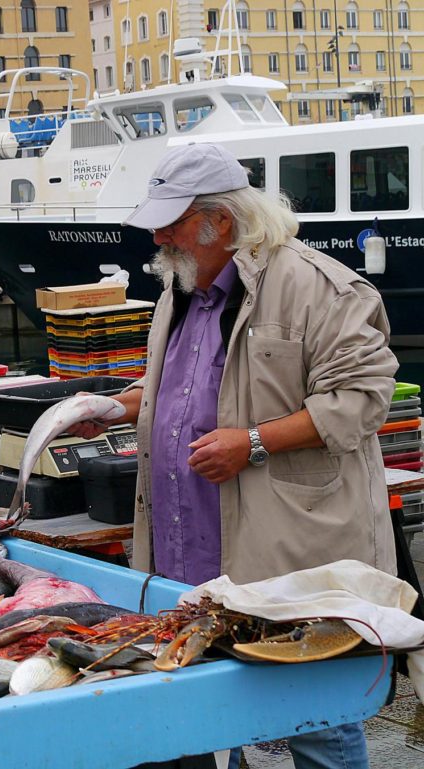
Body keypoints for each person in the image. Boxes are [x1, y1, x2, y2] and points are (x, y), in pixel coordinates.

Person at [74, 142, 398, 769]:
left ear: (219, 221)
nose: (159, 236)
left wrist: (251, 443)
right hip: (184, 544)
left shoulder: (319, 287)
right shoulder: (181, 287)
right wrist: (120, 407)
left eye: (171, 222)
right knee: (195, 703)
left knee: (311, 713)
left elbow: (362, 400)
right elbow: (190, 384)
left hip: (283, 551)